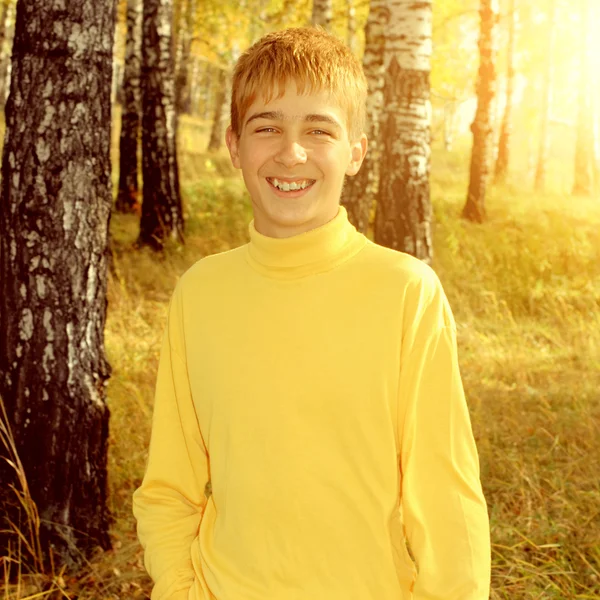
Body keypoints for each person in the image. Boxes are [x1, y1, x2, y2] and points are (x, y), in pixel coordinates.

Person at [132, 26, 492, 600]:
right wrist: (180, 589)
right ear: (234, 146)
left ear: (356, 151)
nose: (290, 151)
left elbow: (447, 497)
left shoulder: (405, 292)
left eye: (318, 129)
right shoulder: (200, 293)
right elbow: (169, 488)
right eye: (266, 127)